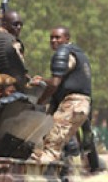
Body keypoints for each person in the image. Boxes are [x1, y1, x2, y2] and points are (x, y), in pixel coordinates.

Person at [30, 26, 92, 163]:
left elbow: (54, 83)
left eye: (57, 37)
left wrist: (40, 101)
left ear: (67, 39)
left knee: (51, 146)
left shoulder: (64, 52)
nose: (53, 40)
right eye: (51, 38)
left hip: (72, 104)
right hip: (78, 105)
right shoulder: (79, 54)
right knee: (61, 144)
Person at [0, 10, 28, 90]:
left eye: (21, 25)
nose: (19, 27)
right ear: (4, 24)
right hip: (10, 89)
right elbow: (21, 70)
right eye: (15, 24)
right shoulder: (14, 42)